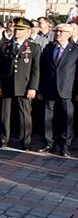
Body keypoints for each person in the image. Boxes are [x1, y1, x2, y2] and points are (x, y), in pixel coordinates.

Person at [0, 17, 41, 150]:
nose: (17, 32)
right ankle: (3, 139)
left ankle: (25, 141)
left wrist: (33, 87)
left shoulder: (33, 47)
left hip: (24, 85)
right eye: (16, 29)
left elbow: (36, 70)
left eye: (20, 30)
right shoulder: (5, 46)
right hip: (7, 84)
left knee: (24, 115)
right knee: (5, 114)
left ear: (27, 32)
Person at [36, 23, 78, 156]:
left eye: (61, 31)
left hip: (67, 89)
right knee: (48, 117)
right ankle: (49, 143)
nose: (58, 33)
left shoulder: (75, 50)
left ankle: (65, 146)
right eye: (56, 31)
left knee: (66, 119)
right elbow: (42, 70)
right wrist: (41, 89)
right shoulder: (49, 48)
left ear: (69, 34)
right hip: (49, 88)